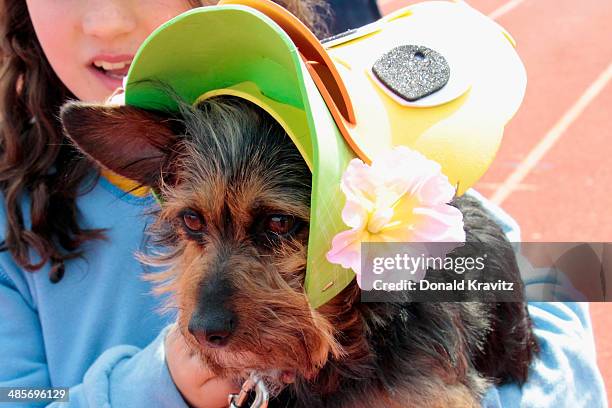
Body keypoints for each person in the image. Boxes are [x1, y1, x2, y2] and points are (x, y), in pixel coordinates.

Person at [0, 1, 606, 407]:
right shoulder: (15, 233)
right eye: (191, 223)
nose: (105, 19)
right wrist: (170, 381)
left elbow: (570, 275)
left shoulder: (378, 180)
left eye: (279, 227)